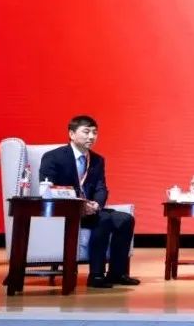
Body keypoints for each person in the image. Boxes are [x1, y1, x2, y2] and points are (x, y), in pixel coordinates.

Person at [39, 115, 139, 288]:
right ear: (71, 134)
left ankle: (117, 273)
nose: (91, 137)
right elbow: (49, 187)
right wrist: (79, 204)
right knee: (104, 219)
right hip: (65, 210)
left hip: (91, 210)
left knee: (126, 219)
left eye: (94, 133)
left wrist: (96, 204)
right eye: (86, 132)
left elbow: (101, 188)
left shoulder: (97, 160)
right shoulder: (53, 157)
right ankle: (96, 275)